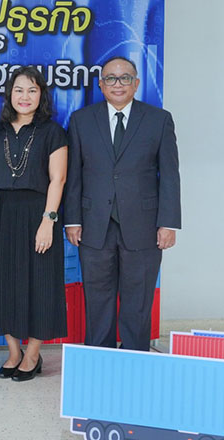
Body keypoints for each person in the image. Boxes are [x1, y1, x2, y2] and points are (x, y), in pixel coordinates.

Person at [64, 56, 180, 351]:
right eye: (111, 78)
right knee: (97, 299)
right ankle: (100, 359)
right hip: (93, 225)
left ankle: (134, 359)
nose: (118, 84)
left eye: (125, 78)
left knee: (138, 300)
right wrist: (72, 220)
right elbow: (73, 174)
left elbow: (169, 175)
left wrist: (168, 223)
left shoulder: (158, 119)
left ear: (136, 83)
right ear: (101, 84)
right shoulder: (81, 120)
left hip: (144, 226)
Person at [0, 67, 67, 382]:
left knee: (40, 283)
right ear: (9, 94)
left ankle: (33, 354)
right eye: (19, 90)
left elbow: (58, 180)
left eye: (32, 90)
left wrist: (49, 220)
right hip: (1, 212)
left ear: (41, 94)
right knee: (4, 283)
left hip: (38, 213)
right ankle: (14, 352)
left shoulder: (53, 132)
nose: (25, 96)